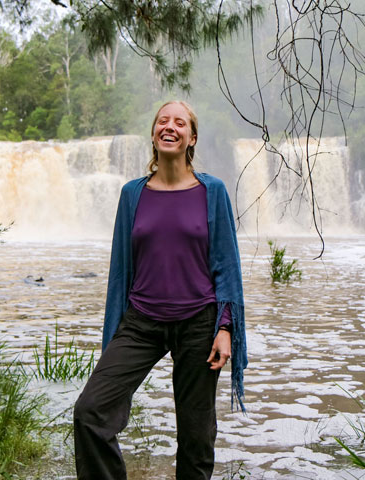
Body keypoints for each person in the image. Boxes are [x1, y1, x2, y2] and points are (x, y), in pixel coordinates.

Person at [73, 100, 247, 480]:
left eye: (179, 122)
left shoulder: (211, 191)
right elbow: (121, 270)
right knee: (90, 412)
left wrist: (225, 328)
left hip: (200, 323)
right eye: (162, 121)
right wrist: (115, 327)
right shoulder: (132, 194)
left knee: (196, 438)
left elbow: (226, 265)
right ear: (154, 134)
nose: (170, 126)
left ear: (192, 137)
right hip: (141, 322)